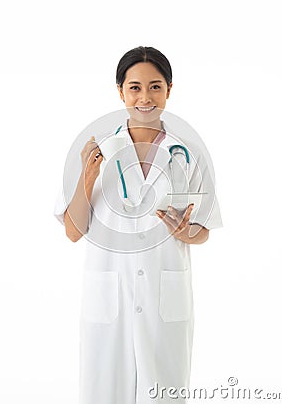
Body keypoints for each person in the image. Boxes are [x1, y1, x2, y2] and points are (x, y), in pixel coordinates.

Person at [54, 46, 222, 404]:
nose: (145, 97)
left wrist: (185, 232)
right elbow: (72, 231)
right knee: (104, 394)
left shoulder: (188, 153)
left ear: (169, 89)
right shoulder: (94, 152)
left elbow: (203, 229)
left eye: (155, 86)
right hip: (109, 301)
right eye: (134, 87)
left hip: (165, 301)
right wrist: (88, 178)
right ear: (120, 91)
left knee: (164, 394)